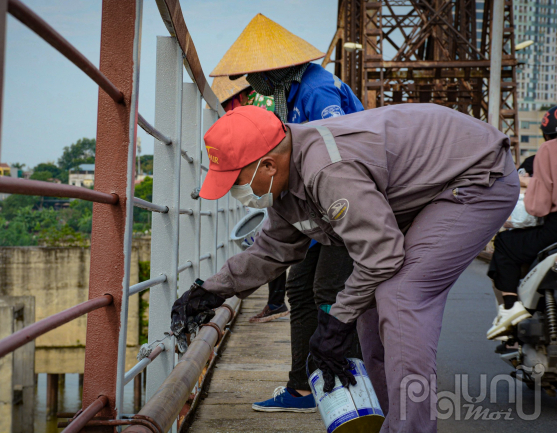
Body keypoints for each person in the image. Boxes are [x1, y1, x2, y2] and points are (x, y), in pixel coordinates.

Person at [171, 103, 518, 432]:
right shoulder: (287, 181)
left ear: (269, 166)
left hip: (476, 177)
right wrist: (210, 291)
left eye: (235, 181)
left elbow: (381, 255)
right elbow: (272, 249)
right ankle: (392, 421)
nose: (234, 192)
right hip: (427, 189)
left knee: (400, 296)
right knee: (368, 310)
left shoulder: (327, 170)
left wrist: (336, 320)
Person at [209, 13, 364, 411]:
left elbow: (341, 161)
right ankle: (305, 385)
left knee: (330, 289)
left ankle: (347, 383)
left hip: (344, 202)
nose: (251, 81)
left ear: (273, 68)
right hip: (320, 205)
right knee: (299, 287)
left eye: (255, 72)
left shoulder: (316, 92)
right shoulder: (290, 94)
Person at [212, 75, 289, 323]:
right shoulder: (264, 102)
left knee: (271, 241)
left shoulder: (253, 108)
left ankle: (276, 303)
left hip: (269, 181)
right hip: (271, 176)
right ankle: (275, 302)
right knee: (272, 241)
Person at [487, 105, 557, 339]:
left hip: (554, 229)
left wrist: (531, 186)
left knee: (506, 243)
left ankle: (510, 308)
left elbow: (538, 206)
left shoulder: (548, 150)